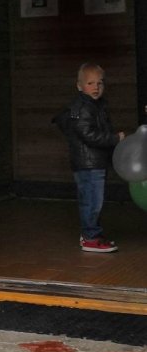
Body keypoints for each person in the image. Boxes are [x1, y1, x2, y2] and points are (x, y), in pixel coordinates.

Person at [53, 63, 124, 253]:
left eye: (100, 83)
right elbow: (88, 135)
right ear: (79, 86)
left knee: (95, 201)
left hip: (95, 162)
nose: (96, 87)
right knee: (92, 201)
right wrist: (114, 139)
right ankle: (90, 237)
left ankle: (93, 234)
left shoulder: (97, 105)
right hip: (88, 163)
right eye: (90, 83)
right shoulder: (83, 107)